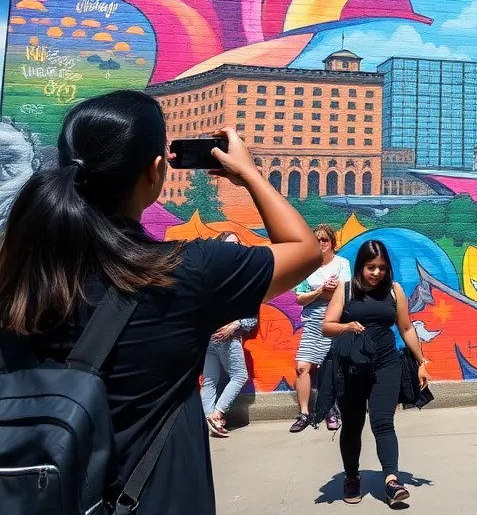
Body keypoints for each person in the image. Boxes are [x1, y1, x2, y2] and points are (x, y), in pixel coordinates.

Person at [0, 91, 320, 514]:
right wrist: (250, 174)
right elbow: (304, 249)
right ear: (155, 170)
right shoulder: (187, 271)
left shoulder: (18, 273)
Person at [322, 239, 432, 507]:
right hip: (351, 369)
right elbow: (327, 326)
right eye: (371, 267)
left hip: (386, 365)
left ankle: (392, 481)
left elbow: (406, 328)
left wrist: (421, 361)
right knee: (353, 426)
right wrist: (346, 328)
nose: (376, 273)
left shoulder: (394, 292)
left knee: (383, 423)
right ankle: (351, 477)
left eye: (381, 267)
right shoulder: (345, 291)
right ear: (361, 266)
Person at [290, 224, 352, 433]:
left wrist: (315, 293)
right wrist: (322, 291)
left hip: (333, 321)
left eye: (324, 240)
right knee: (302, 367)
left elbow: (344, 294)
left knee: (330, 369)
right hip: (311, 324)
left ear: (332, 243)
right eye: (316, 240)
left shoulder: (342, 264)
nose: (320, 244)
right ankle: (304, 413)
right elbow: (299, 299)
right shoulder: (305, 266)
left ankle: (329, 410)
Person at [201, 232, 259, 437]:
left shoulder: (209, 272)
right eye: (231, 244)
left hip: (209, 335)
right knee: (239, 376)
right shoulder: (239, 276)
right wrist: (236, 325)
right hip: (225, 336)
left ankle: (209, 418)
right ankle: (216, 414)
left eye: (238, 243)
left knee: (210, 380)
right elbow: (250, 314)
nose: (235, 246)